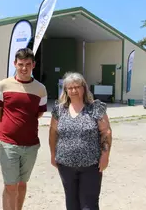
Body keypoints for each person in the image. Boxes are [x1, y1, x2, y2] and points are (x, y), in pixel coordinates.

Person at [0, 47, 48, 210]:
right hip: (9, 143)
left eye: (28, 64)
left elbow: (38, 114)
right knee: (10, 186)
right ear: (15, 64)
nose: (24, 68)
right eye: (21, 64)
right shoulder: (4, 85)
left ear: (33, 65)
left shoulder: (40, 89)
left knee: (22, 185)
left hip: (31, 145)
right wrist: (5, 126)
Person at [49, 72, 112, 210]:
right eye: (70, 88)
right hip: (66, 165)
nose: (73, 90)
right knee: (71, 203)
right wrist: (53, 154)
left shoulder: (95, 108)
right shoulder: (59, 110)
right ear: (65, 90)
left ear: (84, 88)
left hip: (91, 166)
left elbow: (106, 132)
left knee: (89, 204)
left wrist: (105, 156)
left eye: (77, 87)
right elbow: (53, 132)